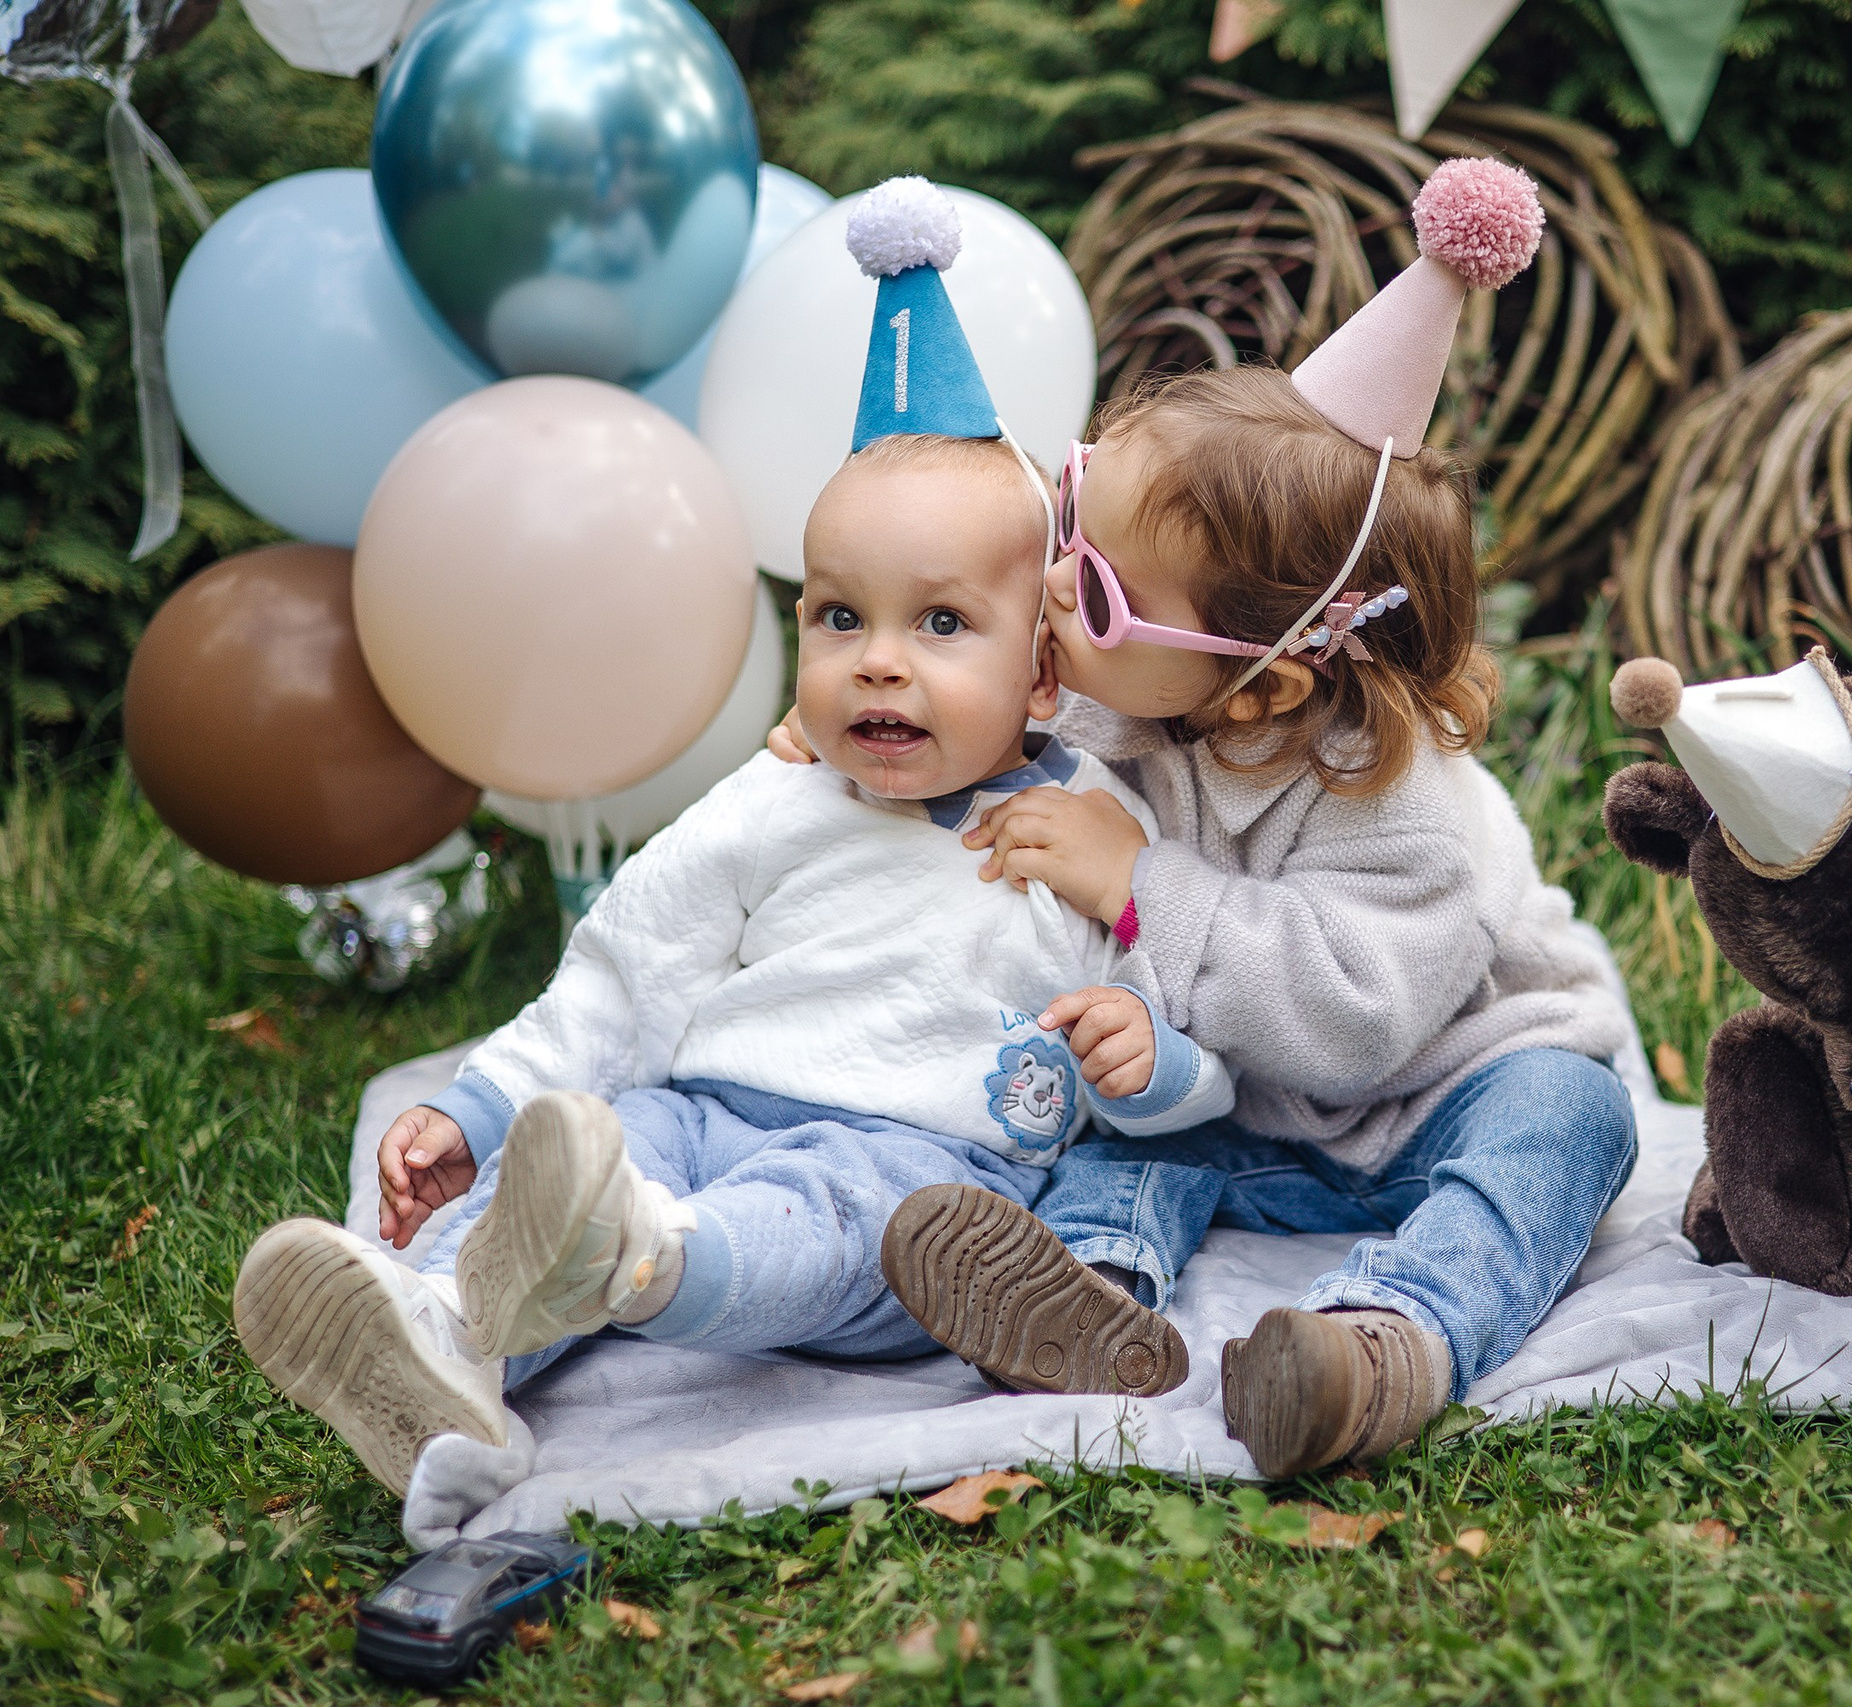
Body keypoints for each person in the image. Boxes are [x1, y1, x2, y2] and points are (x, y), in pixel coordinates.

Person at [229, 180, 1229, 1494]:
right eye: (837, 619)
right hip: (700, 1107)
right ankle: (434, 1338)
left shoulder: (1097, 824)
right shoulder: (776, 801)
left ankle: (639, 1264)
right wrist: (479, 1104)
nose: (878, 666)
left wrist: (1152, 1065)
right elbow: (625, 968)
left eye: (938, 626)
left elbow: (1191, 1037)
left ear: (1044, 678)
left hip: (918, 1164)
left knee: (819, 1226)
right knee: (590, 1141)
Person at [785, 159, 1643, 1478]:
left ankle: (1391, 1342)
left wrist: (1141, 884)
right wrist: (855, 736)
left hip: (1441, 1086)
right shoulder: (1136, 696)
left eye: (1105, 594)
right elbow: (985, 743)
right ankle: (1083, 1296)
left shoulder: (1410, 810)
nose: (1058, 590)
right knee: (1138, 1132)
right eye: (1069, 524)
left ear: (1271, 683)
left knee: (1570, 1128)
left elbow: (1354, 1024)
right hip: (1251, 1112)